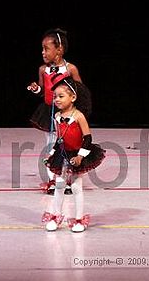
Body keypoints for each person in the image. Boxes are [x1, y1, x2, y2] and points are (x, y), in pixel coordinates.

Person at [41, 77, 104, 233]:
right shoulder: (56, 117)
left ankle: (78, 219)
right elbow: (59, 139)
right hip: (62, 155)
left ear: (73, 97)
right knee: (59, 185)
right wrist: (52, 153)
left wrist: (80, 157)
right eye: (55, 96)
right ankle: (56, 216)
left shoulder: (78, 116)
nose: (56, 99)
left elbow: (87, 139)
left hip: (77, 155)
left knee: (76, 187)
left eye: (61, 96)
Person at [26, 28, 82, 195]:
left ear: (59, 50)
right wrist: (37, 89)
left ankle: (66, 179)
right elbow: (44, 91)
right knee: (51, 146)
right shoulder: (43, 70)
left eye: (46, 48)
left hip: (66, 113)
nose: (43, 52)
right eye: (42, 48)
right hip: (49, 114)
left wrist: (73, 107)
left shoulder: (70, 69)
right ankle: (53, 179)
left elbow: (80, 90)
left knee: (66, 146)